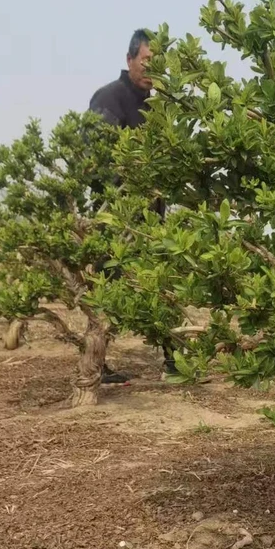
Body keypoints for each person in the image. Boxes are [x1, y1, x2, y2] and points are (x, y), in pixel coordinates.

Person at [88, 30, 176, 379]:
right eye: (146, 60)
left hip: (153, 217)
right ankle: (96, 365)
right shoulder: (109, 97)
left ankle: (174, 362)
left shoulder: (160, 106)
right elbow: (97, 157)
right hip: (117, 219)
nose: (151, 68)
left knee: (162, 284)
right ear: (130, 60)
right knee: (106, 290)